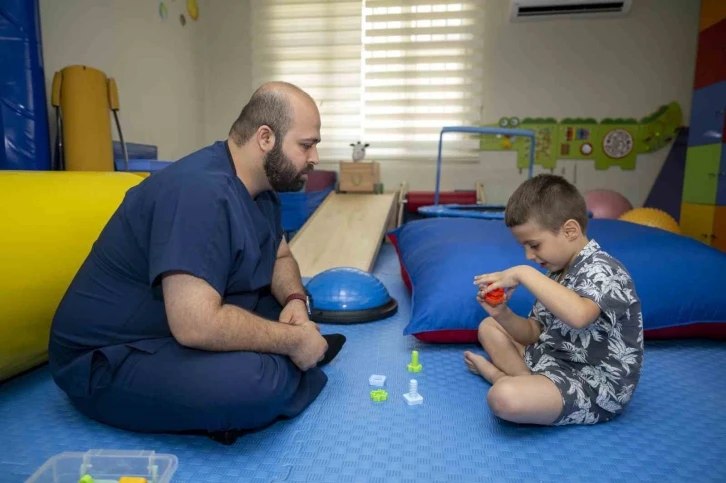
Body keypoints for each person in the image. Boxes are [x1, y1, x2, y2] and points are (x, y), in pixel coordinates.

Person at [48, 82, 346, 442]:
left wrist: (295, 301)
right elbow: (195, 325)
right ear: (265, 138)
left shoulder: (262, 188)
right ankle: (298, 359)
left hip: (174, 325)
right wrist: (292, 341)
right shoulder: (199, 192)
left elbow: (280, 254)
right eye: (306, 144)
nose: (315, 157)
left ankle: (294, 357)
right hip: (107, 359)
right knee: (252, 383)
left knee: (273, 307)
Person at [464, 174, 643, 426]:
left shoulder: (604, 269)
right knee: (489, 326)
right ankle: (526, 381)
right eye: (524, 247)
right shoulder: (557, 271)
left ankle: (500, 378)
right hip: (549, 359)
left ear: (570, 230)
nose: (528, 255)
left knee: (503, 398)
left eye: (534, 245)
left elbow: (579, 316)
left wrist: (523, 273)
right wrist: (501, 313)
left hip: (592, 385)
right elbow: (533, 333)